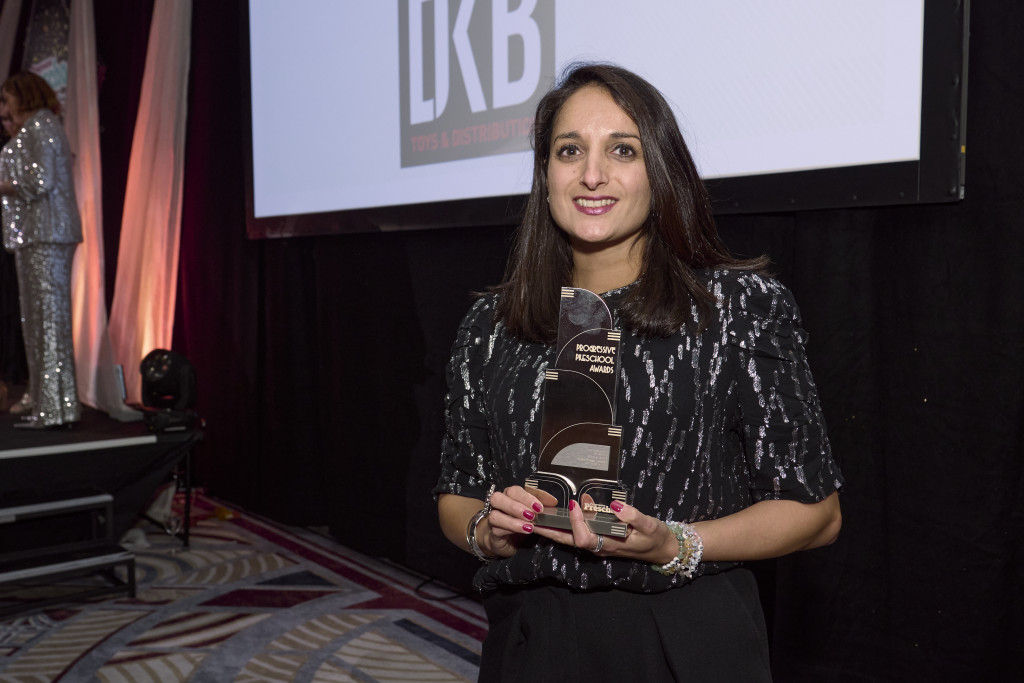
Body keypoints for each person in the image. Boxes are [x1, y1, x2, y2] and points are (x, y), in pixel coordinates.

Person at [434, 63, 844, 682]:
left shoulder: (736, 309)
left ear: (660, 171)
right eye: (569, 151)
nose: (592, 174)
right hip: (529, 635)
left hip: (683, 633)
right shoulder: (491, 326)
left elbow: (817, 512)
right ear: (545, 176)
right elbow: (457, 489)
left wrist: (676, 542)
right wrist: (485, 533)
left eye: (621, 150)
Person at [0, 71, 82, 428]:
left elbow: (39, 181)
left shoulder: (42, 125)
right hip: (37, 233)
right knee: (35, 321)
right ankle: (45, 397)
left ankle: (54, 407)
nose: (3, 108)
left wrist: (4, 186)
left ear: (23, 96)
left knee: (47, 322)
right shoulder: (37, 129)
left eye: (6, 99)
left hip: (49, 234)